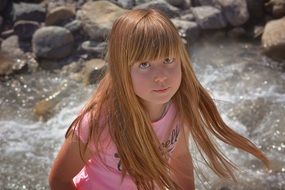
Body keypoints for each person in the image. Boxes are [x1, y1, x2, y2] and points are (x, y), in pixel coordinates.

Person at [48, 8, 269, 190]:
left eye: (168, 59)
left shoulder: (181, 105)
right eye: (144, 65)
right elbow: (58, 181)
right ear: (121, 71)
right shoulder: (99, 122)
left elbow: (180, 157)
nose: (161, 76)